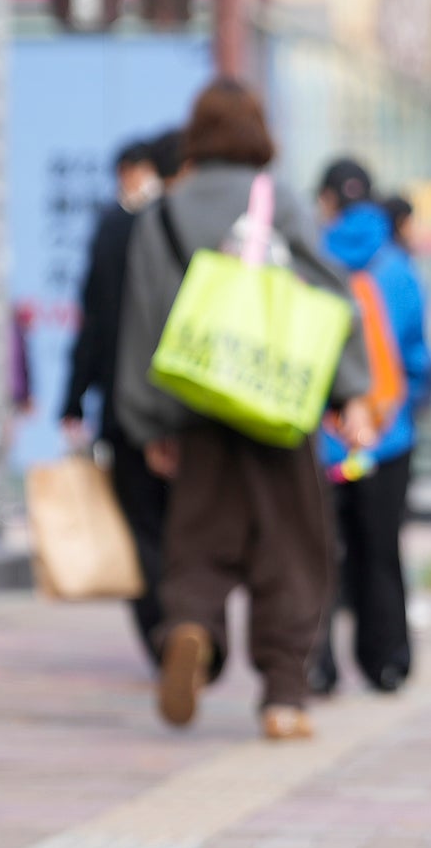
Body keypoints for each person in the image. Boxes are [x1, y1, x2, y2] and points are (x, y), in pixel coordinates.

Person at [114, 80, 373, 741]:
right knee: (291, 548)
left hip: (197, 409)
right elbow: (330, 296)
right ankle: (284, 695)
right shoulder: (274, 198)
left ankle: (191, 630)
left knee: (195, 546)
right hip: (277, 401)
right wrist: (350, 394)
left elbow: (143, 321)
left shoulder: (161, 215)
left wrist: (150, 422)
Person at [312, 156, 431, 694]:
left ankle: (318, 665)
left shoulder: (310, 262)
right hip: (388, 435)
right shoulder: (399, 268)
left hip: (320, 439)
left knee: (318, 551)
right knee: (381, 551)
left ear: (326, 201)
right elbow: (418, 360)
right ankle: (387, 661)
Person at [62, 131, 182, 664]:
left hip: (124, 406)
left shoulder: (114, 227)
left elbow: (94, 322)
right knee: (187, 526)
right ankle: (192, 626)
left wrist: (72, 399)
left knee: (141, 529)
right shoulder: (186, 225)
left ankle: (164, 636)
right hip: (186, 406)